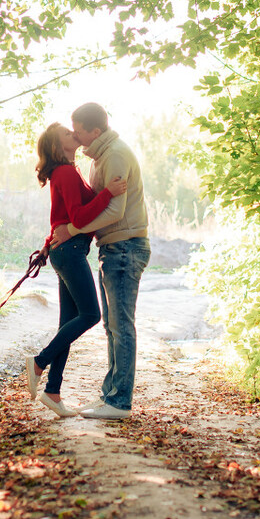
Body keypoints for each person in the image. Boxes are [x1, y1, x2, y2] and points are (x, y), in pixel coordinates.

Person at [51, 103, 150, 420]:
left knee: (121, 325)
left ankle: (120, 402)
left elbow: (115, 211)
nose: (76, 135)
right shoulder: (98, 159)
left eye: (78, 129)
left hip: (126, 245)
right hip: (113, 246)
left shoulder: (116, 154)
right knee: (112, 325)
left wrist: (72, 230)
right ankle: (111, 395)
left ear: (95, 131)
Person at [28, 122, 128, 417]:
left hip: (65, 251)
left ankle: (53, 391)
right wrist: (107, 193)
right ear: (59, 147)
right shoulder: (67, 172)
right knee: (91, 315)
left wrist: (48, 242)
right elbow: (78, 216)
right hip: (70, 254)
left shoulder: (66, 172)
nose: (74, 134)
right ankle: (39, 362)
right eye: (67, 135)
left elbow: (59, 217)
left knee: (67, 325)